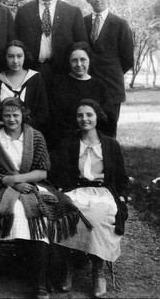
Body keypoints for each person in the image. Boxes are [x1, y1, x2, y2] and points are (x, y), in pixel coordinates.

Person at [0, 97, 84, 299]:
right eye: (7, 115)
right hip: (3, 188)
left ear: (23, 116)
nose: (11, 119)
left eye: (15, 115)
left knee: (41, 214)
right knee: (16, 211)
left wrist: (17, 178)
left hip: (34, 186)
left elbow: (43, 172)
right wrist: (10, 182)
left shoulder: (35, 136)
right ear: (1, 118)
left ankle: (40, 282)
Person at [50, 99, 129, 298]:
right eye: (80, 115)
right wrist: (60, 189)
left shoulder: (110, 144)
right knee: (67, 213)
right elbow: (58, 172)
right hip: (76, 190)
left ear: (97, 117)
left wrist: (122, 196)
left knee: (97, 218)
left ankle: (98, 270)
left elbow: (121, 177)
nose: (84, 119)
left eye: (89, 115)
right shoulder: (68, 143)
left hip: (103, 193)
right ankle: (67, 268)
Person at [15, 0, 87, 89]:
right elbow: (16, 42)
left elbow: (82, 45)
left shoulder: (73, 12)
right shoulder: (23, 11)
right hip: (31, 72)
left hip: (63, 73)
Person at [48, 42, 116, 148]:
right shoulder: (58, 84)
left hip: (95, 141)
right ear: (69, 62)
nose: (79, 64)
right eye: (74, 60)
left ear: (89, 60)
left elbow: (109, 119)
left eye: (83, 60)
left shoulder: (99, 86)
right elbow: (54, 118)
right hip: (65, 142)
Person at [84, 0, 134, 124]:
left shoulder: (121, 24)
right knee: (87, 129)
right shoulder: (81, 22)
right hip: (87, 87)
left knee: (108, 132)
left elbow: (127, 59)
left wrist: (111, 72)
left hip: (111, 88)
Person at [0, 39, 49, 132]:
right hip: (2, 132)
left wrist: (24, 129)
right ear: (5, 57)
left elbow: (43, 112)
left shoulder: (35, 78)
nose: (15, 61)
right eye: (10, 56)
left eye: (19, 56)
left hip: (31, 131)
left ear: (25, 57)